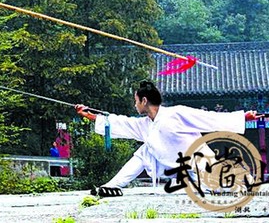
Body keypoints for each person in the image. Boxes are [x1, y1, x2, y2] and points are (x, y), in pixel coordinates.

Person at [75, 80, 258, 197]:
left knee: (224, 186)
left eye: (136, 100)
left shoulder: (177, 114)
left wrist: (243, 117)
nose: (135, 104)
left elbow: (209, 118)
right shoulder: (145, 124)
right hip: (172, 168)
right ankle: (111, 186)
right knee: (144, 152)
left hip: (198, 165)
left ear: (144, 101)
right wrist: (89, 115)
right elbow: (120, 123)